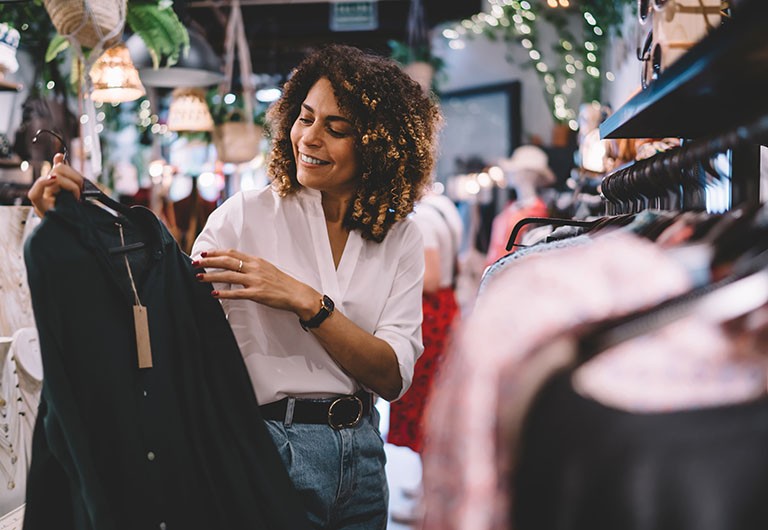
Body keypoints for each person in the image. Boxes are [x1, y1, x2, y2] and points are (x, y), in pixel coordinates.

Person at [28, 43, 441, 530]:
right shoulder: (247, 215)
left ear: (379, 145)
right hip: (268, 447)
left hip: (365, 459)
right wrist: (79, 222)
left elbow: (391, 377)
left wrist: (307, 302)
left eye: (337, 129)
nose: (309, 138)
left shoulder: (400, 237)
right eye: (305, 117)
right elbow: (165, 305)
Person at [387, 187, 463, 524]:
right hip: (444, 308)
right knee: (431, 401)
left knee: (423, 405)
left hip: (428, 314)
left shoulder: (422, 219)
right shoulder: (444, 209)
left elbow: (429, 278)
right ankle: (425, 488)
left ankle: (427, 498)